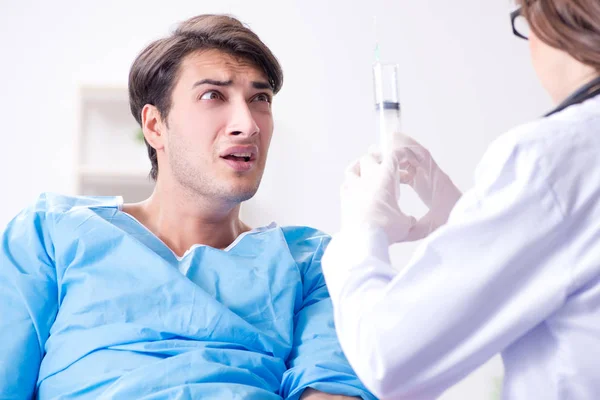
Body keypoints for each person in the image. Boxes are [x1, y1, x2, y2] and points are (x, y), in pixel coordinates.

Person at [0, 14, 375, 400]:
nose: (248, 125)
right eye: (213, 95)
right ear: (155, 126)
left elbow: (330, 390)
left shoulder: (312, 263)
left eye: (259, 99)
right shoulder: (50, 236)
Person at [321, 1, 600, 399]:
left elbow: (389, 358)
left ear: (554, 18)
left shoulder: (551, 156)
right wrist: (463, 215)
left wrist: (360, 234)